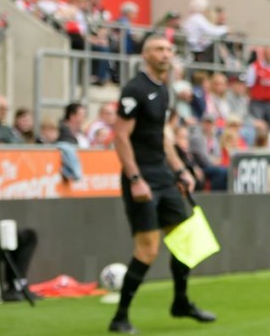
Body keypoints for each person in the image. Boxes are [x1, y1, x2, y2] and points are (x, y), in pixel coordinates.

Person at [109, 34, 215, 333]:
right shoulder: (135, 90)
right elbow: (120, 136)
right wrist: (135, 179)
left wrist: (181, 169)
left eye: (169, 49)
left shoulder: (164, 90)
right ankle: (120, 317)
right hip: (142, 179)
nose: (166, 54)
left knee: (187, 243)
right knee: (148, 250)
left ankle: (180, 302)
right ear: (145, 55)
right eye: (159, 49)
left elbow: (163, 136)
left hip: (163, 176)